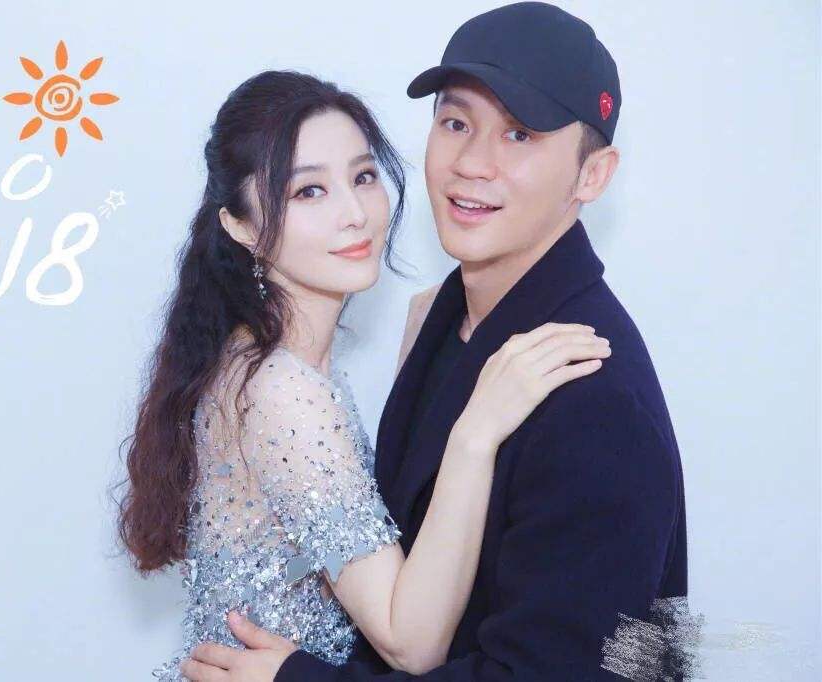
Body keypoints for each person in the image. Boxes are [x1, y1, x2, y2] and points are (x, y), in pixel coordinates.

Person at [179, 3, 701, 681]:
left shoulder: (593, 395)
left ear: (592, 175)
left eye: (519, 135)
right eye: (455, 123)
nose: (472, 164)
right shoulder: (439, 319)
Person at [114, 68, 610, 681]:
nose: (354, 214)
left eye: (363, 177)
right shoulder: (282, 391)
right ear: (240, 226)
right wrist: (474, 433)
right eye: (308, 192)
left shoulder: (274, 359)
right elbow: (411, 644)